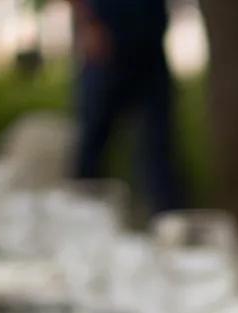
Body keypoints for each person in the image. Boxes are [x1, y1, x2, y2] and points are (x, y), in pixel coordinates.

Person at [69, 0, 181, 214]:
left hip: (149, 45)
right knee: (91, 151)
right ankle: (79, 223)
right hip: (105, 46)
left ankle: (170, 227)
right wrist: (88, 23)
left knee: (159, 153)